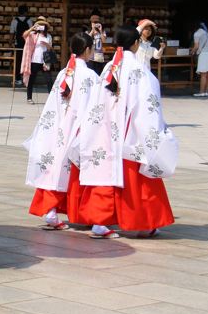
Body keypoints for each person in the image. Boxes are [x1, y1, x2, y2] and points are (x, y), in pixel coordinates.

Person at [75, 26, 177, 238]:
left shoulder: (108, 68)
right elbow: (148, 105)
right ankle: (145, 223)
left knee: (103, 176)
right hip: (129, 134)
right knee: (139, 181)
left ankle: (99, 222)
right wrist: (154, 133)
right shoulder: (139, 70)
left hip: (105, 132)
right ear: (136, 43)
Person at [24, 33, 99, 231]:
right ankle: (85, 214)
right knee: (75, 172)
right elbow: (94, 107)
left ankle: (51, 211)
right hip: (77, 128)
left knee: (56, 169)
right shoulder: (90, 76)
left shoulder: (64, 73)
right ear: (87, 50)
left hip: (58, 127)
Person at [22, 17, 53, 104]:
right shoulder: (33, 34)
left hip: (45, 61)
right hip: (34, 60)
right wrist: (32, 28)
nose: (41, 26)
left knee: (49, 80)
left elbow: (50, 49)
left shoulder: (48, 36)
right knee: (31, 79)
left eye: (43, 25)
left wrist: (47, 45)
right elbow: (24, 35)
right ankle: (29, 98)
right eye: (40, 24)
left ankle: (51, 99)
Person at [191, 21, 208, 97]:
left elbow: (196, 46)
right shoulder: (205, 33)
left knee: (203, 75)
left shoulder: (196, 34)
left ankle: (201, 92)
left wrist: (192, 51)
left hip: (203, 54)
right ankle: (206, 92)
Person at [10, 5, 33, 86]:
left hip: (18, 44)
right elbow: (32, 33)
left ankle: (18, 79)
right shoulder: (29, 21)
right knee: (27, 61)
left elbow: (12, 33)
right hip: (27, 44)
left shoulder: (14, 21)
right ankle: (25, 78)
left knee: (18, 61)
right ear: (26, 12)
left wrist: (10, 42)